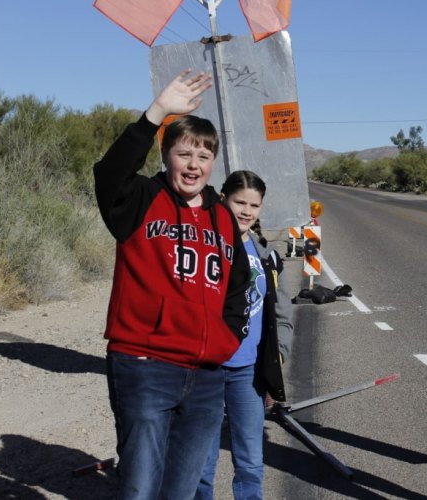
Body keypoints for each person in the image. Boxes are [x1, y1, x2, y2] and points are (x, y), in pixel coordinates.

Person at [93, 69, 251, 499]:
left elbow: (239, 285)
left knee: (181, 491)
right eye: (184, 154)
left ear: (213, 162)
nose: (193, 166)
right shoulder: (141, 200)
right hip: (145, 366)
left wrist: (227, 338)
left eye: (203, 157)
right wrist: (156, 113)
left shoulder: (222, 218)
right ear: (167, 156)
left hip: (205, 375)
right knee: (140, 489)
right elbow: (108, 175)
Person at [196, 170, 294, 500]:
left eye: (255, 205)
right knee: (202, 461)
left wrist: (275, 361)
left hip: (248, 372)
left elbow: (281, 314)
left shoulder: (265, 255)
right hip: (204, 370)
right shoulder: (202, 243)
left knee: (251, 460)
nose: (247, 211)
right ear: (223, 199)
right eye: (240, 202)